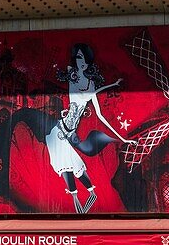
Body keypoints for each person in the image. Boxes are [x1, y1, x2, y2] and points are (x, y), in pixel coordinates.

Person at [13, 43, 133, 213]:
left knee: (74, 165)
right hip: (60, 132)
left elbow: (100, 115)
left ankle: (89, 196)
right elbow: (82, 92)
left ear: (88, 61)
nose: (80, 61)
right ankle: (79, 204)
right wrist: (109, 86)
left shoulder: (90, 85)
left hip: (68, 133)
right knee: (67, 165)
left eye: (83, 57)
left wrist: (122, 138)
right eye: (77, 57)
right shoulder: (74, 78)